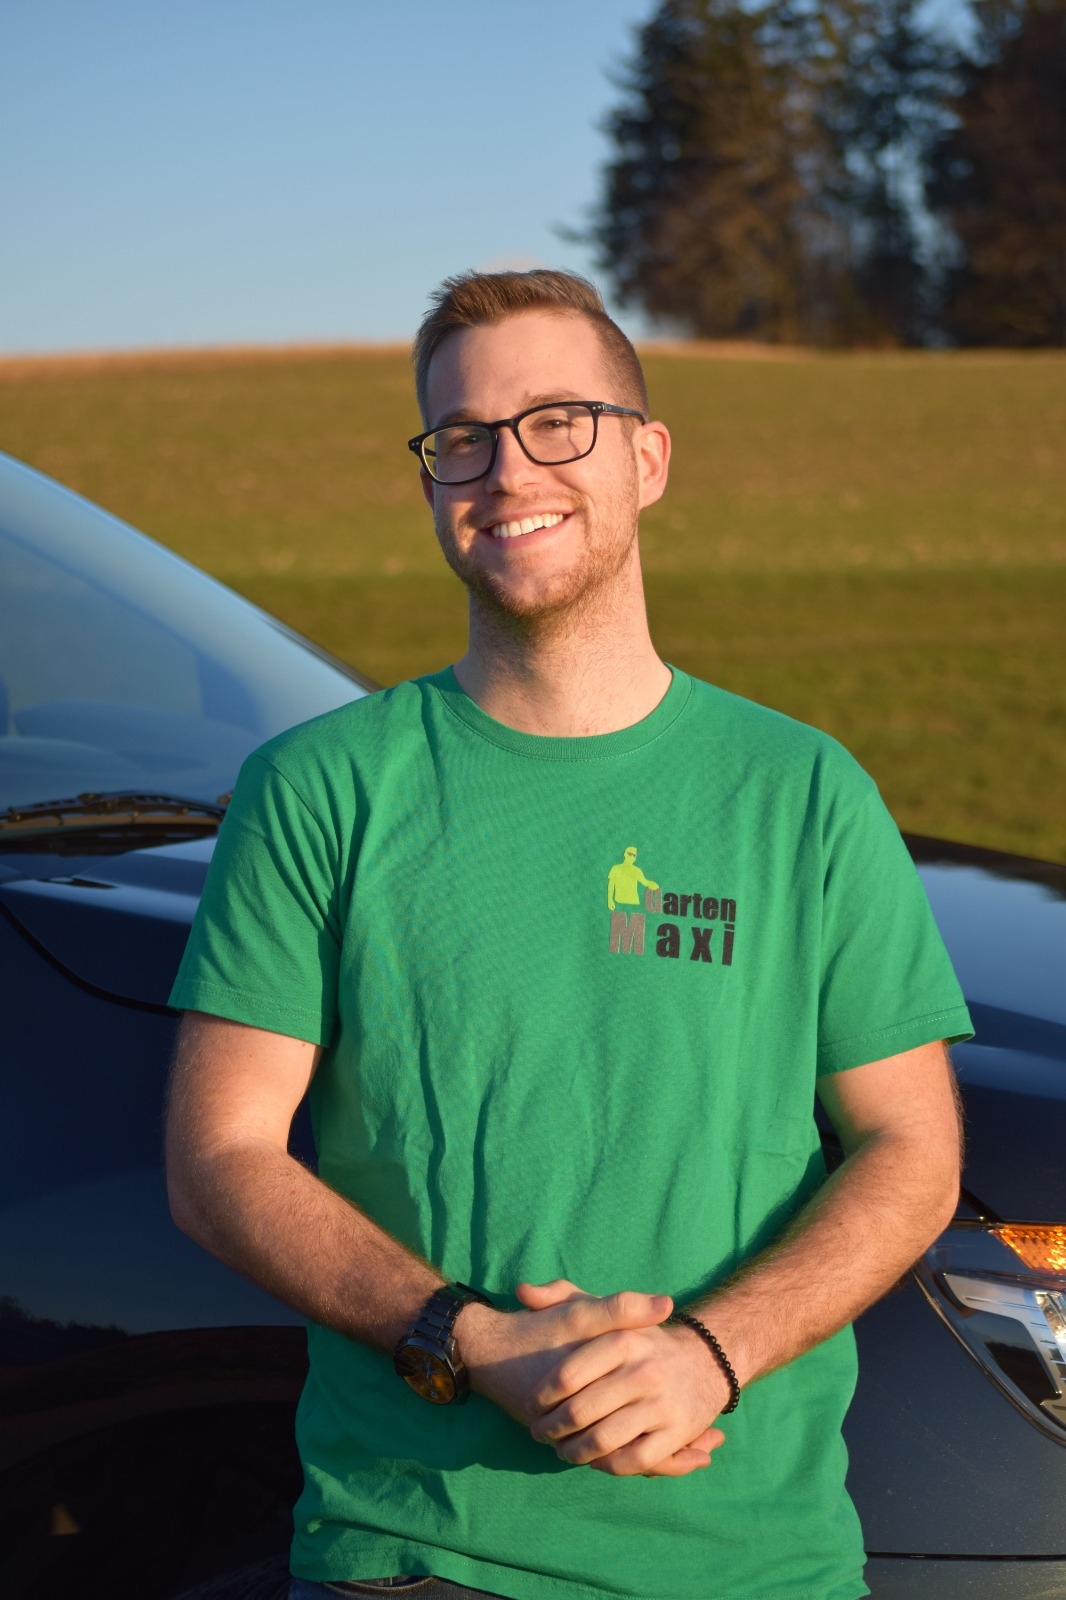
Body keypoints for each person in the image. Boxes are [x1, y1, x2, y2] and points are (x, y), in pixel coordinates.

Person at [165, 269, 972, 1600]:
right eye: (462, 438)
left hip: (757, 1562)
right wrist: (466, 1339)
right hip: (420, 1549)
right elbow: (219, 1159)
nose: (507, 470)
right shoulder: (320, 789)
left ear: (647, 459)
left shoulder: (802, 791)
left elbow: (912, 1150)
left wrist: (707, 1355)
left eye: (557, 422)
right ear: (432, 480)